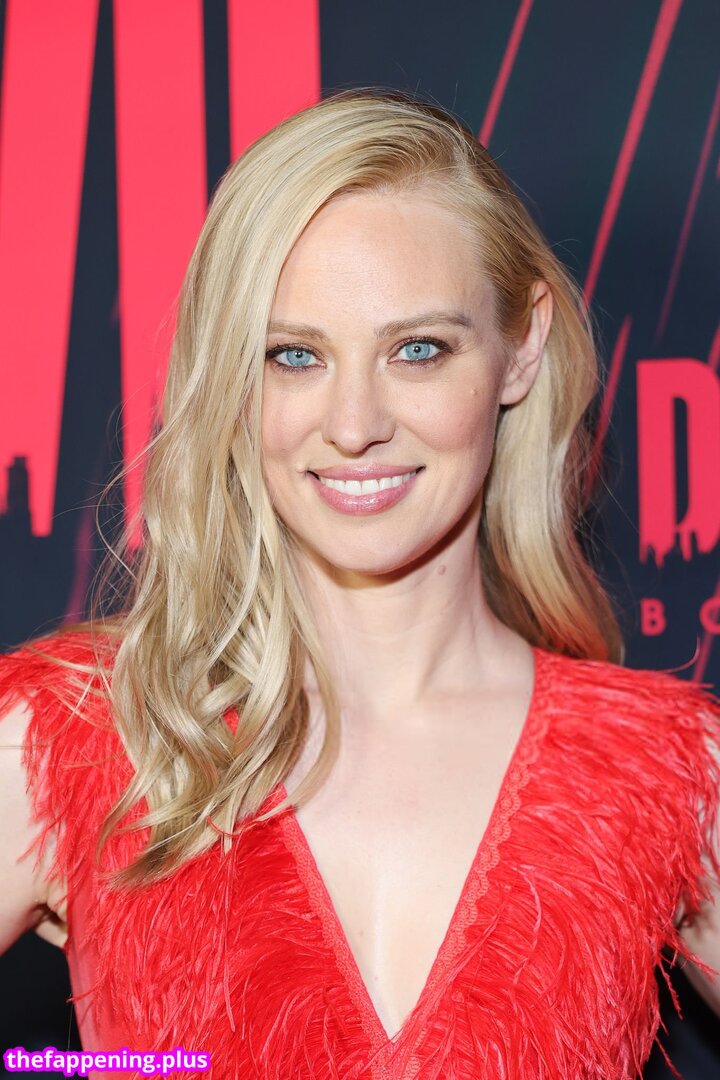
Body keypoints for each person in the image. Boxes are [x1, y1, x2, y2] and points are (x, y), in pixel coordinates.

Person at [1, 87, 719, 1080]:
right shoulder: (82, 738)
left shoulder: (663, 773)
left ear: (521, 349)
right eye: (293, 356)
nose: (353, 425)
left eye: (417, 350)